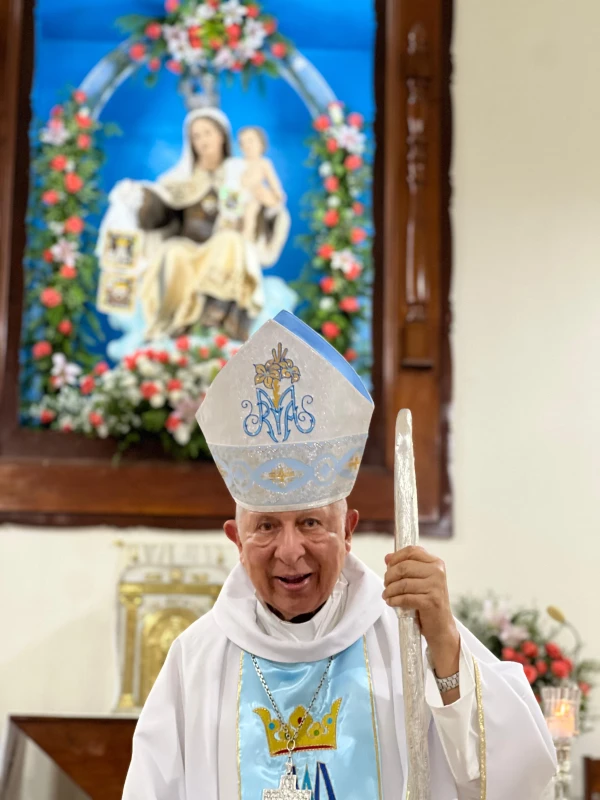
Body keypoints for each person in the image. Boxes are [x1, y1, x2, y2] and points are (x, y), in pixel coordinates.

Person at [122, 311, 557, 800]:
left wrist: (443, 638)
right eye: (266, 527)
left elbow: (520, 778)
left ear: (347, 530)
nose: (290, 551)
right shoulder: (196, 660)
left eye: (311, 523)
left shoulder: (406, 636)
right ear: (236, 541)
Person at [97, 108, 291, 342]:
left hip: (223, 245)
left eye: (207, 133)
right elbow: (161, 212)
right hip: (189, 250)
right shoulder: (181, 180)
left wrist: (267, 204)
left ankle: (223, 315)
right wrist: (139, 198)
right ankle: (176, 323)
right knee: (172, 251)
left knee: (229, 241)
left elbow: (267, 207)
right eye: (195, 136)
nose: (202, 141)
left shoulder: (238, 173)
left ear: (221, 136)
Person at [238, 126, 285, 241]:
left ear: (261, 143)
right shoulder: (238, 163)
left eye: (251, 141)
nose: (247, 146)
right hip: (238, 196)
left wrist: (277, 195)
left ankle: (247, 240)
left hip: (255, 196)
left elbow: (274, 184)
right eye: (242, 142)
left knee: (250, 213)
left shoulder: (264, 163)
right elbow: (231, 184)